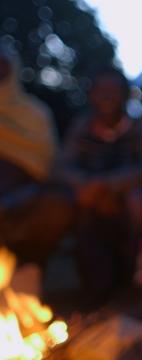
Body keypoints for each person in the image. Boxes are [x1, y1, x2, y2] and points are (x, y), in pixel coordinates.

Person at [58, 66, 142, 302]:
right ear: (91, 95)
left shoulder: (139, 129)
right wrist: (86, 183)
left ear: (126, 95)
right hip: (91, 202)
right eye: (102, 91)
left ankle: (134, 281)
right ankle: (93, 289)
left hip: (127, 203)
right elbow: (61, 167)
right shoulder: (82, 128)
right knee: (79, 205)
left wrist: (112, 183)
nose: (108, 97)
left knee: (138, 201)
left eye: (114, 91)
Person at [0, 45, 72, 265]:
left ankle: (27, 274)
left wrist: (12, 200)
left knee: (58, 205)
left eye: (2, 66)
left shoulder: (36, 114)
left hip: (25, 201)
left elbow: (49, 169)